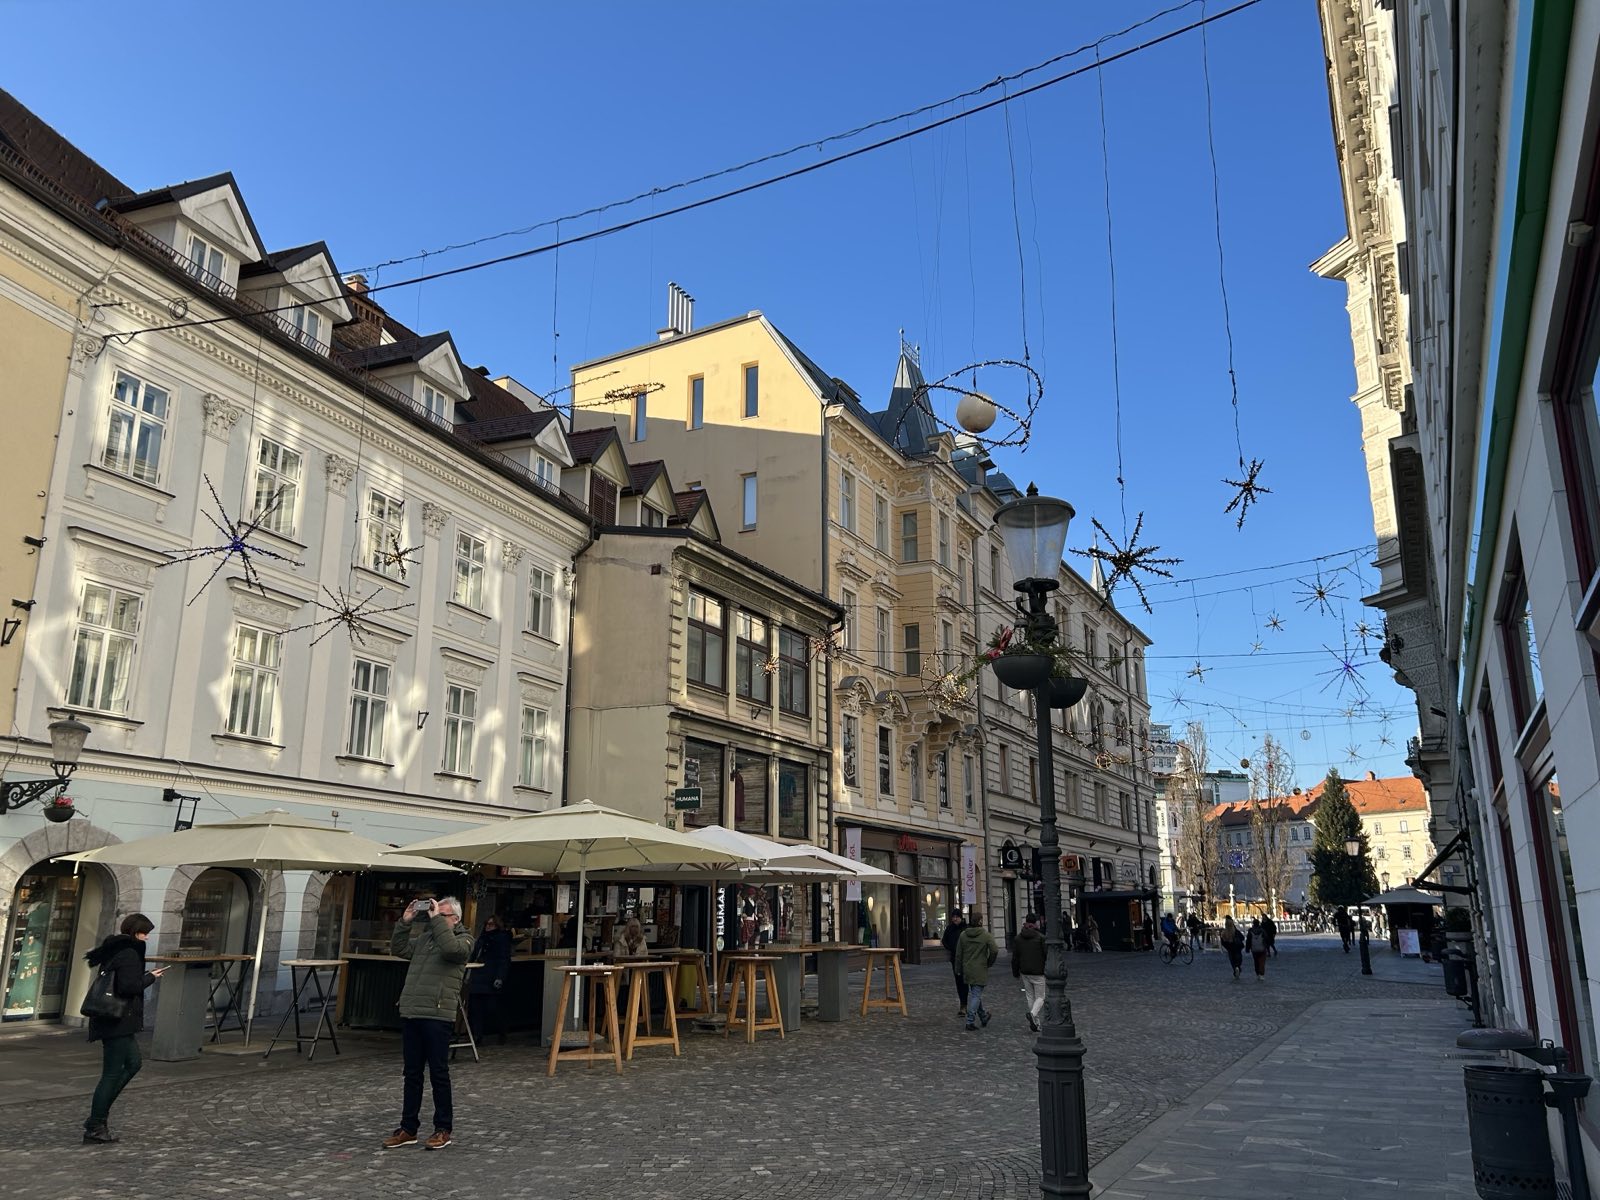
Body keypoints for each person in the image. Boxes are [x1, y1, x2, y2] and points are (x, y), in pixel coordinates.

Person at [383, 895, 472, 1151]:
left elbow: (451, 950)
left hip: (438, 1013)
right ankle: (408, 1127)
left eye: (441, 915)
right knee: (411, 1074)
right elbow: (399, 948)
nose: (434, 918)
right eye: (434, 913)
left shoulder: (465, 940)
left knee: (438, 1073)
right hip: (413, 1012)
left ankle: (443, 1128)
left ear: (455, 919)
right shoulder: (426, 939)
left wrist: (436, 922)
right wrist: (405, 921)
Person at [82, 913, 166, 1144]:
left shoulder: (117, 948)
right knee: (111, 1073)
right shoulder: (129, 952)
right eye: (144, 933)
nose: (147, 938)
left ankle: (97, 1118)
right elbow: (128, 986)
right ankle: (96, 1124)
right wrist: (150, 977)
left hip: (116, 1020)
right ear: (135, 933)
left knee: (134, 1063)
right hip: (116, 1019)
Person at [468, 915, 513, 1045]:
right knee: (476, 1008)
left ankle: (500, 1031)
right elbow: (474, 955)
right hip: (478, 975)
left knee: (492, 1008)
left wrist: (500, 977)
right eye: (487, 924)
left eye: (491, 924)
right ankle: (478, 1035)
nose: (488, 927)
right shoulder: (482, 938)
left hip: (490, 975)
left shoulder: (500, 939)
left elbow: (503, 959)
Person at [956, 911, 999, 1031]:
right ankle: (970, 1021)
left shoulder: (963, 935)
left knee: (975, 993)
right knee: (976, 995)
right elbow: (995, 950)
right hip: (980, 969)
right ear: (980, 921)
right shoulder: (985, 935)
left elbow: (958, 954)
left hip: (967, 969)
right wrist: (989, 962)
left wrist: (958, 969)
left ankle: (983, 1016)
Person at [1011, 913, 1047, 1032]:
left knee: (1030, 997)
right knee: (1040, 997)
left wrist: (1015, 972)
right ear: (1036, 922)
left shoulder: (1018, 938)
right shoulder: (1041, 938)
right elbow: (1046, 955)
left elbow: (1015, 958)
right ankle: (1033, 1015)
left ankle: (1036, 1023)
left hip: (1025, 971)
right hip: (1038, 971)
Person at [940, 909, 969, 1018]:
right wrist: (951, 948)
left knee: (966, 983)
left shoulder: (966, 928)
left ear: (961, 917)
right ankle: (963, 1005)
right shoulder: (949, 928)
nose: (955, 919)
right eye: (953, 917)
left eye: (957, 917)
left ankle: (967, 1005)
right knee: (959, 982)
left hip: (966, 959)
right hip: (955, 959)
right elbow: (944, 940)